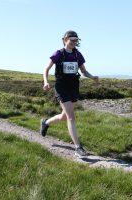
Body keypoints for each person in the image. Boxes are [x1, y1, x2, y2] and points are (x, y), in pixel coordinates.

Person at [41, 30, 99, 158]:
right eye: (72, 40)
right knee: (71, 117)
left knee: (64, 116)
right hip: (61, 87)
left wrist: (92, 77)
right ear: (65, 40)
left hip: (74, 86)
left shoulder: (78, 55)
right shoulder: (58, 54)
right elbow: (46, 69)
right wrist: (46, 82)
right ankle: (78, 147)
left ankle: (46, 123)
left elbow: (83, 71)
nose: (74, 42)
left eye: (76, 40)